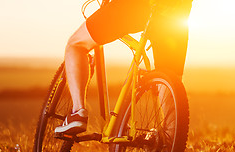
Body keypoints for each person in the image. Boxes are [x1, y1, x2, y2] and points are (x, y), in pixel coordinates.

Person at [55, 0, 193, 135]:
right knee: (169, 78)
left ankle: (78, 112)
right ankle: (170, 143)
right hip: (177, 15)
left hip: (136, 6)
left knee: (75, 45)